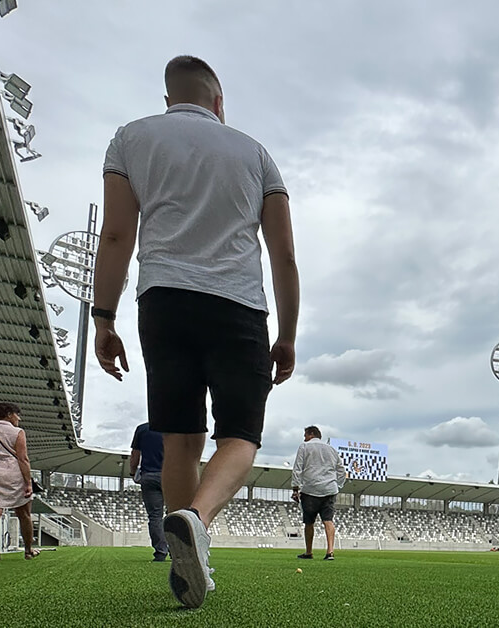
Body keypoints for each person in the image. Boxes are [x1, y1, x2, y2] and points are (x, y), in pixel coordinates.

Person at [93, 55, 300, 609]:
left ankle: (191, 570)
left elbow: (115, 236)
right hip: (238, 304)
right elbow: (283, 254)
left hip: (162, 298)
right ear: (219, 102)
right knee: (240, 436)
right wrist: (287, 334)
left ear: (168, 100)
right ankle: (197, 520)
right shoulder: (256, 154)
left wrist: (103, 319)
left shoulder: (130, 139)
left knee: (180, 436)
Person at [0, 402, 37, 561]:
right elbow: (23, 459)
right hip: (12, 474)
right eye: (17, 414)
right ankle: (28, 549)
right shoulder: (18, 432)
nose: (19, 418)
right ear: (9, 414)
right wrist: (28, 482)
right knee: (24, 513)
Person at [291, 426, 347, 560]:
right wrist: (338, 485)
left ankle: (309, 552)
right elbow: (341, 470)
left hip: (310, 489)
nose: (304, 438)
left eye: (305, 435)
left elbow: (298, 468)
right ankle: (330, 552)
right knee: (328, 520)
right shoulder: (332, 449)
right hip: (329, 489)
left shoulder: (304, 447)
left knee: (309, 522)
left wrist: (295, 488)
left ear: (311, 434)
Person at [130, 422, 169, 561]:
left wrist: (133, 472)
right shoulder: (175, 427)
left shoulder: (142, 429)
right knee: (175, 514)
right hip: (171, 476)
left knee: (155, 516)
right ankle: (177, 550)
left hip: (149, 476)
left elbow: (135, 454)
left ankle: (160, 552)